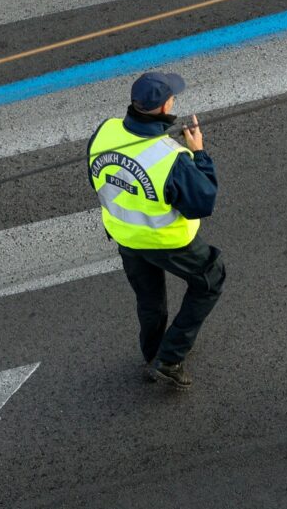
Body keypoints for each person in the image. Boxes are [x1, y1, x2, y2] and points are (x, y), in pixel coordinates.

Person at [87, 71, 226, 390]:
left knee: (150, 301)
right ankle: (170, 357)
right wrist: (199, 154)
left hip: (124, 236)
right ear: (165, 108)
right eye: (171, 98)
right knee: (210, 280)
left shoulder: (104, 131)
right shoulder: (171, 157)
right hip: (168, 242)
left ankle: (152, 354)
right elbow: (202, 202)